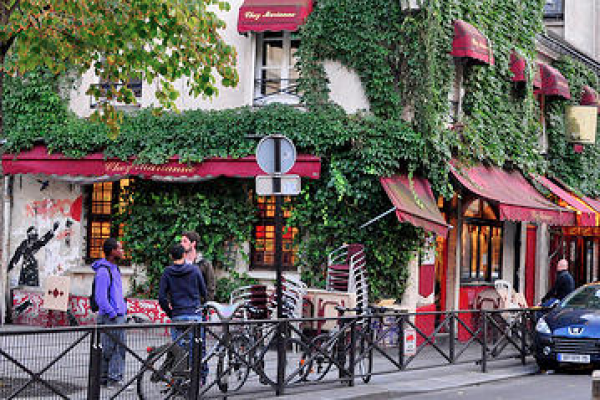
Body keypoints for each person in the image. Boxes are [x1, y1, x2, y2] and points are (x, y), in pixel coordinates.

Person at [158, 243, 207, 355]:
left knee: (179, 352)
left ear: (171, 256)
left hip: (177, 314)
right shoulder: (194, 270)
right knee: (197, 350)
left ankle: (181, 371)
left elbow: (162, 298)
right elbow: (204, 292)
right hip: (194, 314)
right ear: (184, 255)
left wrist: (170, 313)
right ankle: (199, 372)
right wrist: (202, 309)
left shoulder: (167, 272)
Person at [93, 238, 129, 389]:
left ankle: (109, 379)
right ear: (112, 251)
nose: (122, 251)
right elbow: (100, 297)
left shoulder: (114, 269)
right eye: (119, 249)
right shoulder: (103, 271)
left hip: (117, 315)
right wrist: (113, 313)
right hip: (111, 317)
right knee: (110, 349)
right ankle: (111, 379)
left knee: (117, 348)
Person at [8, 222, 60, 287]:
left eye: (35, 235)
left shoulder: (35, 244)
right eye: (34, 235)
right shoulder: (24, 244)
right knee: (24, 286)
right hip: (26, 268)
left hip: (33, 267)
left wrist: (52, 230)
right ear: (29, 235)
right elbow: (16, 256)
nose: (35, 238)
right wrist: (9, 268)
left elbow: (43, 240)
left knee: (33, 286)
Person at [181, 231, 215, 301]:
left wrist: (205, 306)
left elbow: (210, 287)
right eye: (181, 241)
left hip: (197, 306)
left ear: (193, 243)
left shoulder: (205, 264)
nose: (181, 244)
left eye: (185, 241)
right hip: (180, 306)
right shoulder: (179, 263)